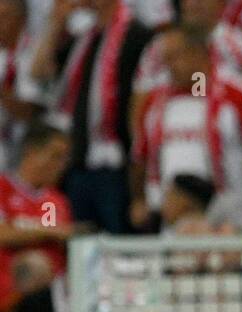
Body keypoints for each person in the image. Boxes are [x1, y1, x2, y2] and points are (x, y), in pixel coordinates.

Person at [131, 25, 242, 233]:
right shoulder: (155, 102)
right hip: (177, 232)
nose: (168, 66)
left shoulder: (238, 95)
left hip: (237, 226)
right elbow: (139, 160)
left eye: (175, 57)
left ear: (200, 53)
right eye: (165, 59)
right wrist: (139, 200)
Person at [31, 0, 153, 232]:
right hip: (79, 160)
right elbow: (40, 72)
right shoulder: (84, 40)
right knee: (80, 242)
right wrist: (56, 21)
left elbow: (140, 107)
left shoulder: (138, 36)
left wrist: (138, 176)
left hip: (118, 163)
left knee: (118, 243)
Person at [0, 122, 73, 308]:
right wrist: (49, 232)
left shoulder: (57, 200)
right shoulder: (3, 189)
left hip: (52, 301)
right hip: (9, 296)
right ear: (31, 153)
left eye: (64, 159)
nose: (60, 165)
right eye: (55, 156)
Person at [0, 0, 43, 172]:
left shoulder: (36, 55)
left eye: (3, 17)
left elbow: (29, 112)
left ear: (21, 20)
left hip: (26, 151)